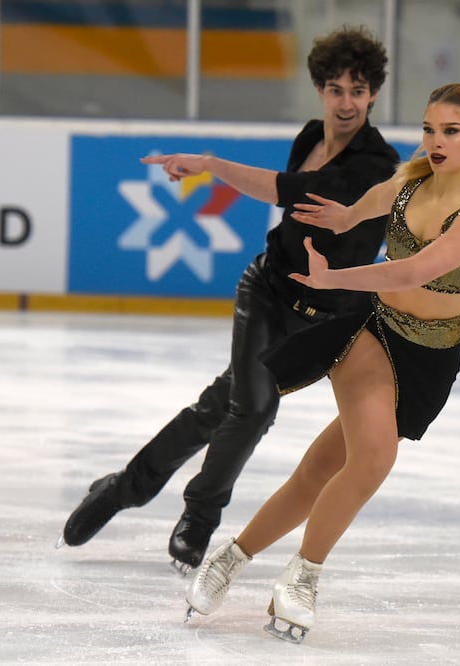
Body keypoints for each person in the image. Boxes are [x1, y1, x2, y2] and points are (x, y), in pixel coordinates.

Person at [57, 26, 400, 574]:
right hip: (268, 290)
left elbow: (284, 192)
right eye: (335, 89)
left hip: (325, 320)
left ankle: (124, 487)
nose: (346, 102)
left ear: (374, 94)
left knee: (220, 410)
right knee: (253, 408)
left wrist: (211, 165)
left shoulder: (377, 162)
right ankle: (199, 517)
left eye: (357, 91)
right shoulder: (312, 135)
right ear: (320, 91)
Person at [183, 83, 460, 644]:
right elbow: (372, 204)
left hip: (430, 357)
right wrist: (343, 219)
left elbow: (410, 272)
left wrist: (333, 277)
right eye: (429, 129)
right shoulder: (411, 182)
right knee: (373, 459)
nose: (435, 141)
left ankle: (230, 558)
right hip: (371, 333)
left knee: (319, 470)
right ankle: (301, 579)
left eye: (450, 131)